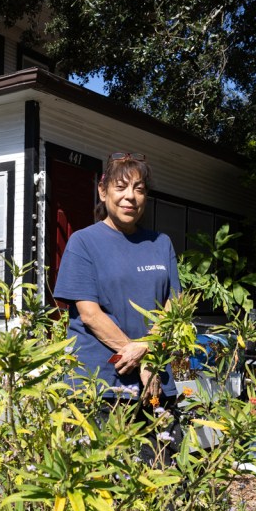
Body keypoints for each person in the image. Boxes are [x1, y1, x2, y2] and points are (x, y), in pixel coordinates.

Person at [53, 152, 181, 412]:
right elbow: (90, 314)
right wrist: (137, 357)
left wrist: (147, 350)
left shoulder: (160, 243)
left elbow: (174, 306)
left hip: (156, 378)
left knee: (162, 451)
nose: (130, 196)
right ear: (103, 192)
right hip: (101, 383)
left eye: (139, 189)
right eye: (120, 187)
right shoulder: (84, 242)